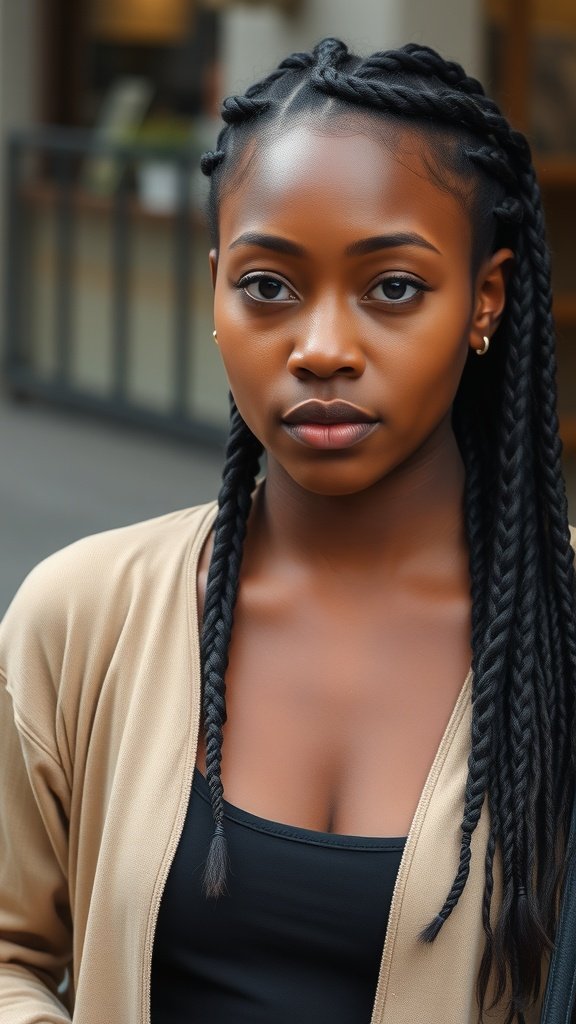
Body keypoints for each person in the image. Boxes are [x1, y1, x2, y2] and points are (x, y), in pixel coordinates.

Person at [0, 36, 575, 1024]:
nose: (320, 348)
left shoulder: (559, 631)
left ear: (486, 297)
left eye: (393, 287)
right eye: (269, 285)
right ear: (217, 286)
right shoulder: (81, 614)